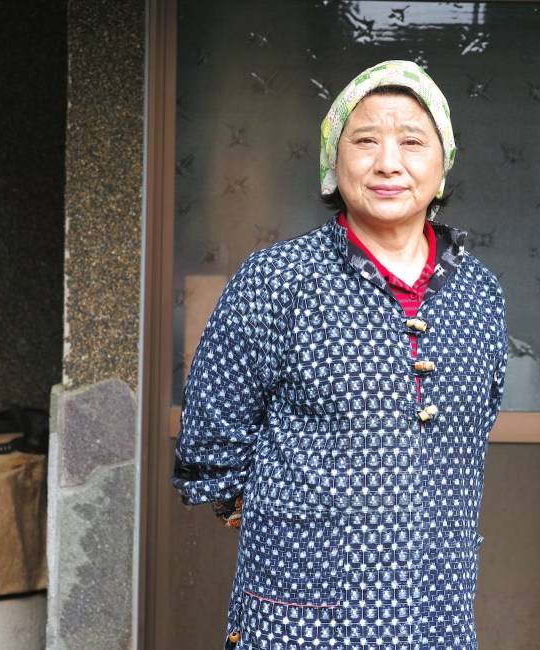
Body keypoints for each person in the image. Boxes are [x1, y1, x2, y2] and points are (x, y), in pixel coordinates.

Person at [173, 59, 507, 649]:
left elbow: (476, 425)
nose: (388, 163)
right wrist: (291, 524)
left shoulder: (480, 291)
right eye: (365, 141)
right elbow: (210, 433)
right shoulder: (279, 279)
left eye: (411, 142)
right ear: (334, 162)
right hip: (301, 613)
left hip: (437, 609)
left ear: (442, 162)